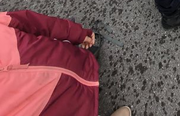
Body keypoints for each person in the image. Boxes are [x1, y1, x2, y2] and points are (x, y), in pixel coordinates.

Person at [0, 9, 131, 116]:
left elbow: (36, 23)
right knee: (80, 107)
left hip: (67, 62)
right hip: (55, 106)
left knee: (81, 83)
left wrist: (76, 33)